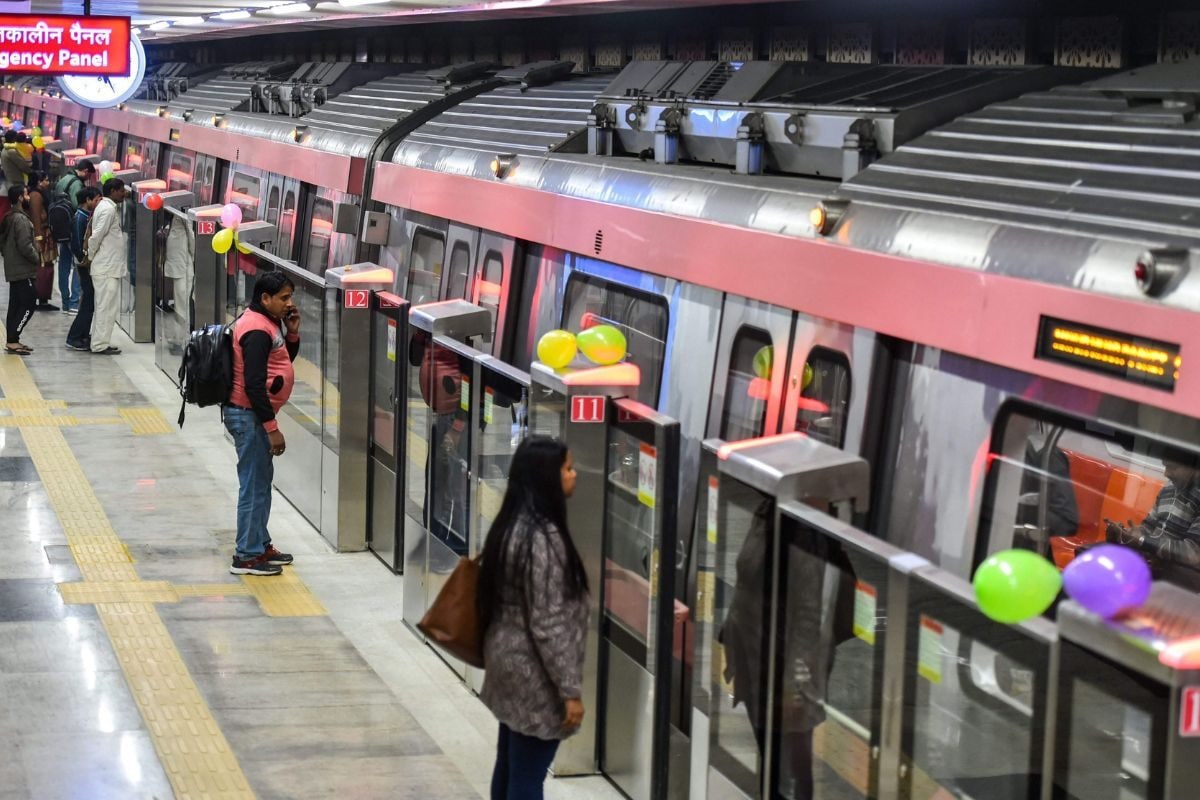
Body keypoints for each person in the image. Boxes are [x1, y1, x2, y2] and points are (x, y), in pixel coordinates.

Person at [477, 436, 588, 800]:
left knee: (510, 765)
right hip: (534, 675)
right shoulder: (544, 539)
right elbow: (549, 624)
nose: (575, 476)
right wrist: (569, 691)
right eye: (567, 469)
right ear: (547, 478)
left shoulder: (512, 525)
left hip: (506, 661)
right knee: (528, 778)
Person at [223, 270, 299, 577]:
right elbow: (254, 384)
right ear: (265, 298)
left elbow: (281, 360)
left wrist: (292, 332)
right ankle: (246, 556)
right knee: (253, 487)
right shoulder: (256, 329)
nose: (289, 304)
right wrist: (272, 429)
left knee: (261, 484)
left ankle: (259, 543)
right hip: (249, 415)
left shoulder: (267, 322)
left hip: (254, 416)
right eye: (283, 298)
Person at [1107, 458, 1200, 589]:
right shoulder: (1169, 487)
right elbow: (1149, 527)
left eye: (1172, 467)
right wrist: (1126, 535)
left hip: (1185, 577)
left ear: (1194, 465)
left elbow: (1193, 554)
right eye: (1165, 466)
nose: (1166, 473)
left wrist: (1144, 541)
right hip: (1157, 565)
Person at [87, 178, 128, 355]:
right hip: (106, 267)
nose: (124, 194)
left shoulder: (106, 207)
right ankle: (99, 345)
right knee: (105, 307)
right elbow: (96, 236)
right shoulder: (108, 209)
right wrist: (90, 256)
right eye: (121, 190)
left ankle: (100, 341)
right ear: (112, 191)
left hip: (109, 267)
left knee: (106, 307)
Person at [0, 185, 40, 355]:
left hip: (14, 268)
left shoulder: (10, 217)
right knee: (29, 304)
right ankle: (13, 337)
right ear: (19, 198)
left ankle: (12, 341)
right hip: (23, 269)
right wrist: (37, 258)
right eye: (25, 194)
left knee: (16, 305)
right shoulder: (21, 220)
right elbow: (25, 246)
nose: (29, 197)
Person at [53, 159, 96, 313]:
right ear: (84, 170)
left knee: (63, 266)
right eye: (88, 174)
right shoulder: (77, 184)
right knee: (79, 265)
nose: (88, 177)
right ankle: (74, 302)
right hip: (73, 230)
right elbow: (78, 206)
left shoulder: (63, 179)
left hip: (61, 230)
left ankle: (65, 302)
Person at [65, 187, 101, 352]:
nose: (97, 203)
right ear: (87, 200)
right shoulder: (80, 218)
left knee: (89, 301)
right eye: (95, 200)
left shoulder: (85, 216)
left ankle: (83, 335)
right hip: (84, 266)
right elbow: (78, 244)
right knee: (87, 302)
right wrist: (84, 260)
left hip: (85, 265)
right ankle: (74, 337)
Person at [26, 171, 58, 312]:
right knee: (43, 266)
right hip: (42, 236)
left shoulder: (38, 194)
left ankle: (43, 298)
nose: (48, 182)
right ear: (39, 181)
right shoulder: (36, 196)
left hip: (45, 235)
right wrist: (39, 239)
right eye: (45, 180)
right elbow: (36, 218)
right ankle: (41, 297)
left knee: (47, 266)